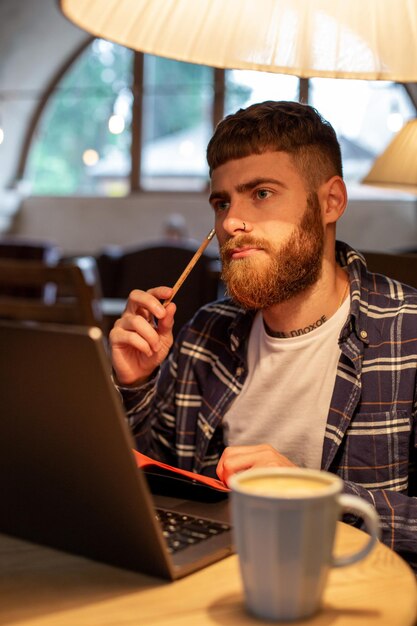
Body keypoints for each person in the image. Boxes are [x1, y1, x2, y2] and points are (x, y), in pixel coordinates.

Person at [110, 101, 417, 570]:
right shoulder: (204, 335)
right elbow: (156, 492)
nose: (232, 221)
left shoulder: (408, 332)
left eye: (262, 193)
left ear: (331, 201)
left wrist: (315, 495)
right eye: (222, 202)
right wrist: (135, 385)